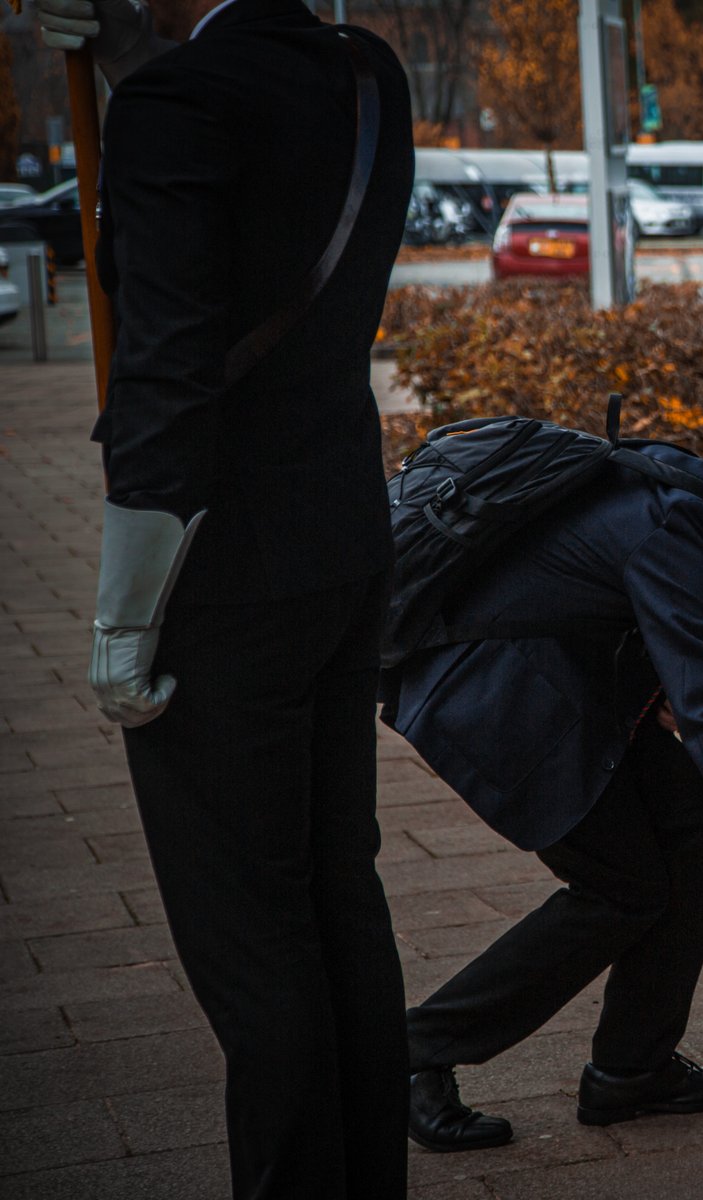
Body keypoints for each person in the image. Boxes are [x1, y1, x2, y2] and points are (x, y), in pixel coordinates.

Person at [37, 0, 415, 1195]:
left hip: (220, 570)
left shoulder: (173, 108)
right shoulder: (367, 77)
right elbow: (258, 131)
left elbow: (165, 368)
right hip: (343, 535)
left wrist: (121, 615)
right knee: (337, 893)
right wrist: (124, 62)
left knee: (253, 944)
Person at [378, 426, 703, 1151]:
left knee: (689, 809)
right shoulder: (683, 524)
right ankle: (412, 1052)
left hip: (546, 683)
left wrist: (661, 691)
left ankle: (633, 1069)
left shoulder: (693, 496)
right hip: (488, 696)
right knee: (619, 888)